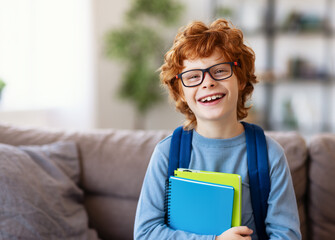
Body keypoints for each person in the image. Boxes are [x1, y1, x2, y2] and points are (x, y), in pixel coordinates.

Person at [134, 19, 301, 240]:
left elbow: (286, 236)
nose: (207, 83)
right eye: (193, 76)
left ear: (240, 79)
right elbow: (145, 234)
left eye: (220, 70)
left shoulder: (270, 155)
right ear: (181, 91)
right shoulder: (166, 154)